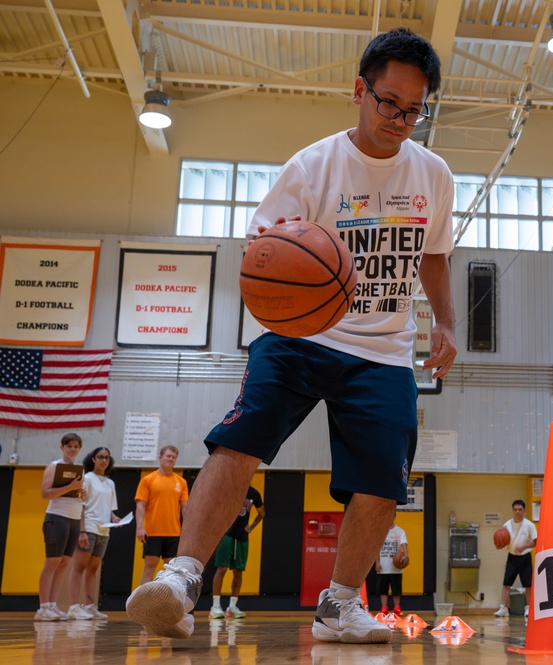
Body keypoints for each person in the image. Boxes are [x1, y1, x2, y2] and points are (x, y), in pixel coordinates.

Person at [126, 27, 456, 644]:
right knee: (240, 440)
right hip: (301, 331)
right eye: (389, 102)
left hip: (384, 348)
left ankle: (338, 604)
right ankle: (182, 577)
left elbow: (434, 255)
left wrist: (445, 320)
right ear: (360, 90)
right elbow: (266, 251)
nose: (401, 119)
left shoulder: (433, 175)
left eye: (415, 109)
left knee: (384, 480)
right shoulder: (313, 166)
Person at [36, 433, 87, 621]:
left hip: (73, 519)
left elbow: (80, 499)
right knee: (52, 563)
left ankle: (53, 605)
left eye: (76, 446)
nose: (72, 449)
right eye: (69, 446)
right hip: (56, 518)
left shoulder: (79, 470)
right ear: (62, 447)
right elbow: (45, 493)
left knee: (64, 563)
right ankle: (42, 608)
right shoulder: (54, 466)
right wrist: (70, 486)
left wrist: (82, 493)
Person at [67, 447, 120, 620]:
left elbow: (110, 509)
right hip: (88, 528)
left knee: (93, 569)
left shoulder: (110, 483)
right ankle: (74, 607)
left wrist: (115, 518)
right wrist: (81, 530)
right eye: (100, 457)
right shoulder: (87, 478)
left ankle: (90, 606)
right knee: (79, 567)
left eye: (106, 457)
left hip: (104, 530)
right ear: (93, 459)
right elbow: (80, 505)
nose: (103, 460)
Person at [135, 445, 189, 584]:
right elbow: (140, 505)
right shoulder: (148, 480)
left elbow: (185, 508)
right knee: (149, 568)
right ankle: (144, 604)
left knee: (172, 571)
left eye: (173, 457)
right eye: (168, 456)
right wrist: (140, 527)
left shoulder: (181, 482)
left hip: (174, 533)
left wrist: (187, 530)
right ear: (160, 458)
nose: (170, 459)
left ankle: (169, 604)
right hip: (153, 532)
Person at [209, 485, 265, 619]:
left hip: (242, 537)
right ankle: (215, 606)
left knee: (238, 571)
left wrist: (251, 527)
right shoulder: (228, 489)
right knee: (221, 568)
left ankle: (232, 607)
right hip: (226, 535)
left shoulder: (254, 493)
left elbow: (262, 513)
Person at [494, 499, 537, 618]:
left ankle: (528, 608)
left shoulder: (529, 525)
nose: (517, 512)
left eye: (520, 509)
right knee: (506, 584)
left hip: (525, 557)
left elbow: (535, 541)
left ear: (524, 510)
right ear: (512, 510)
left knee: (528, 585)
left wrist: (524, 546)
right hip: (512, 557)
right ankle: (503, 608)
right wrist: (500, 545)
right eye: (515, 509)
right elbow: (503, 541)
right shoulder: (507, 525)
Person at [375, 518, 408, 615]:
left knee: (396, 589)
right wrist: (377, 562)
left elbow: (404, 544)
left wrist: (406, 554)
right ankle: (384, 607)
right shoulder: (380, 531)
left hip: (395, 567)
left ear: (393, 517)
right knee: (383, 589)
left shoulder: (400, 531)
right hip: (383, 566)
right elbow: (377, 548)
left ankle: (397, 607)